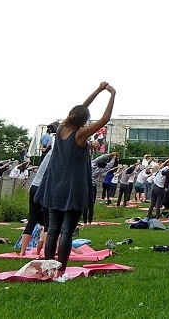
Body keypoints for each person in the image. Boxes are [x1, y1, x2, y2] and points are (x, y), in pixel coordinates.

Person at [34, 83, 115, 281]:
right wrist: (112, 94)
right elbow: (105, 119)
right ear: (84, 120)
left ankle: (48, 268)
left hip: (54, 187)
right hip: (72, 188)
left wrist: (96, 91)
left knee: (52, 230)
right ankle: (61, 271)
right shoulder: (79, 134)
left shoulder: (62, 128)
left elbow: (79, 110)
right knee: (67, 232)